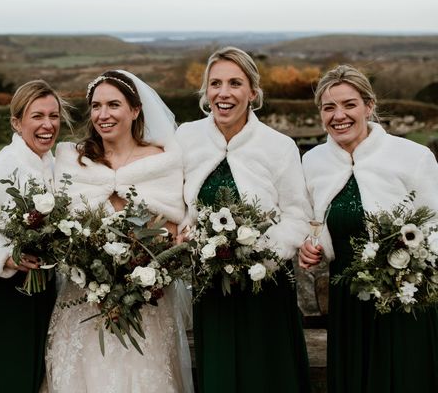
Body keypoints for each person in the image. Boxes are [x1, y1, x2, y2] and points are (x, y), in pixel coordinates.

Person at [43, 70, 193, 393]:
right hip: (84, 302)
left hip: (146, 304)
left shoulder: (162, 161)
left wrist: (138, 274)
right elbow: (63, 231)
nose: (103, 114)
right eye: (96, 106)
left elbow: (170, 229)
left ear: (135, 110)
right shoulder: (74, 161)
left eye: (114, 105)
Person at [176, 46, 312, 392]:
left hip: (265, 287)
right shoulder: (186, 138)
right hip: (211, 287)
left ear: (253, 91)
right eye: (215, 83)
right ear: (206, 91)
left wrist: (259, 257)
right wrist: (187, 237)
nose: (224, 93)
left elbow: (297, 215)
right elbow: (177, 206)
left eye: (235, 83)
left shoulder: (278, 145)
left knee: (266, 375)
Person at [298, 65, 438, 392]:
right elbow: (311, 222)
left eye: (349, 104)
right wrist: (309, 245)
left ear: (369, 106)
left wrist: (409, 262)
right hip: (348, 298)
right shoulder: (313, 161)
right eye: (329, 107)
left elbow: (435, 223)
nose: (339, 115)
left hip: (405, 295)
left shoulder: (413, 157)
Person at [0, 80, 71, 393]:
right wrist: (6, 257)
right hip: (7, 296)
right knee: (9, 377)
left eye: (54, 116)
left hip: (52, 293)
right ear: (16, 122)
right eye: (37, 116)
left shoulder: (63, 167)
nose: (48, 125)